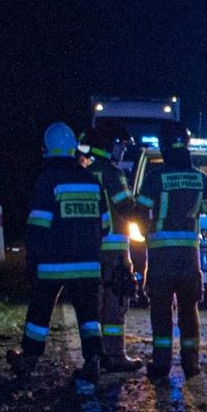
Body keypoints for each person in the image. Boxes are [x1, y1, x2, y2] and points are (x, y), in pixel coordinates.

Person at [7, 123, 112, 382]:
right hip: (88, 265)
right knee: (89, 316)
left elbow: (39, 225)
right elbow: (106, 227)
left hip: (53, 263)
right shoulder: (91, 180)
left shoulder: (48, 180)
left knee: (40, 312)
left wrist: (32, 259)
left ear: (47, 149)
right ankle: (94, 361)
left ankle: (28, 360)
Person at [135, 123, 207, 381]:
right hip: (189, 259)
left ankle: (162, 365)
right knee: (189, 311)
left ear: (164, 148)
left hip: (161, 260)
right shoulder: (200, 178)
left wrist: (145, 231)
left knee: (161, 312)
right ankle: (191, 364)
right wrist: (197, 208)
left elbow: (140, 209)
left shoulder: (155, 177)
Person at [79, 128, 144, 373]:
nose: (124, 149)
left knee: (92, 305)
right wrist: (146, 209)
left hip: (88, 251)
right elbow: (127, 207)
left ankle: (93, 357)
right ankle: (116, 355)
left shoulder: (84, 172)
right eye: (122, 144)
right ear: (110, 145)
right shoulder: (113, 174)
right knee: (116, 303)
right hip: (114, 251)